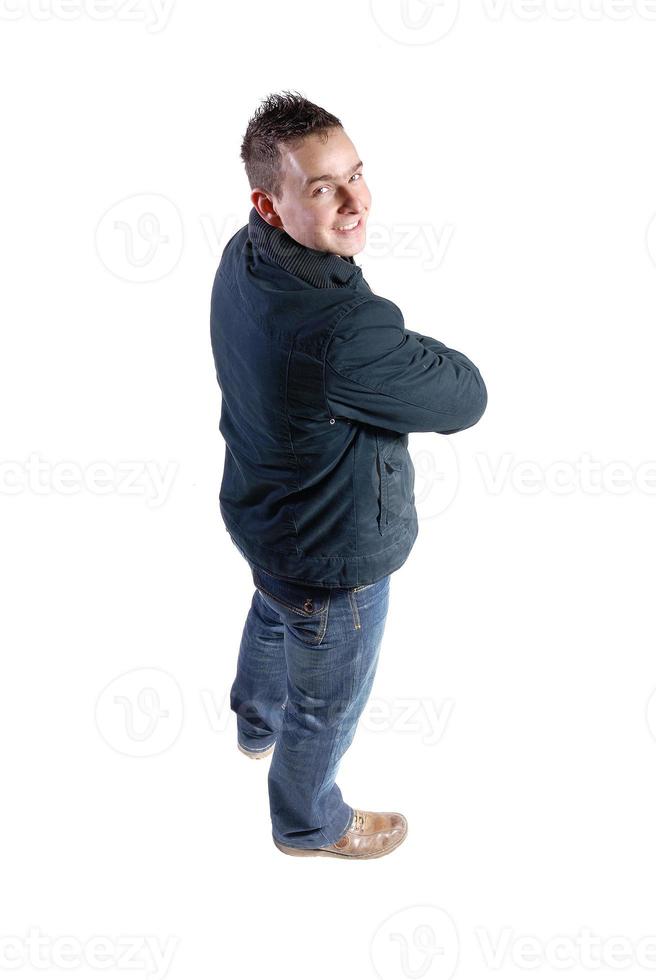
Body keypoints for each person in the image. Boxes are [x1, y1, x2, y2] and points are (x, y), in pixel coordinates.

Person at [209, 90, 487, 860]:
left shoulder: (245, 253)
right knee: (328, 704)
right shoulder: (345, 332)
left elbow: (351, 353)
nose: (355, 199)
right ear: (270, 204)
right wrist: (389, 352)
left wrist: (376, 355)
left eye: (356, 174)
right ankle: (308, 822)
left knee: (272, 611)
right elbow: (465, 396)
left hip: (261, 509)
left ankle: (252, 725)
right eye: (323, 187)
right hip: (334, 554)